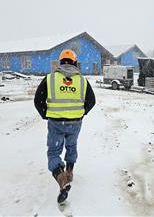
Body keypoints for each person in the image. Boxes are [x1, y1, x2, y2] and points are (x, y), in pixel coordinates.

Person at [34, 49, 96, 203]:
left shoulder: (50, 79)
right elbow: (91, 101)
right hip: (75, 122)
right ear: (75, 62)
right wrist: (81, 113)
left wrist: (45, 114)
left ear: (61, 62)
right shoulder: (82, 81)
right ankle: (69, 172)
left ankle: (61, 178)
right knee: (72, 145)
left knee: (54, 151)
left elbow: (38, 99)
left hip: (56, 122)